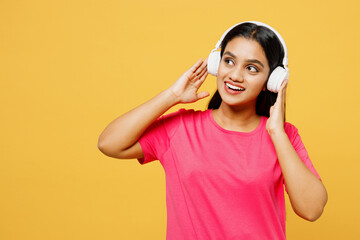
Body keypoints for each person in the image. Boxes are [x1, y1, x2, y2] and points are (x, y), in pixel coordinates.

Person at [98, 21, 328, 240]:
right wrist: (171, 96)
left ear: (273, 80)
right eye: (229, 61)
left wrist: (276, 133)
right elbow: (109, 143)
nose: (235, 75)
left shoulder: (284, 136)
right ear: (216, 64)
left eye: (251, 68)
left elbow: (312, 209)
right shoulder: (181, 128)